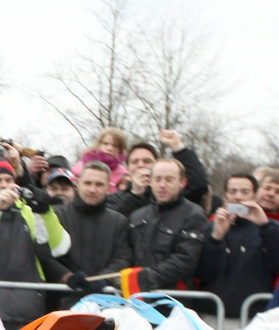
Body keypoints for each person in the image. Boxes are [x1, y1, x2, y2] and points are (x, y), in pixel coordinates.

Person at [0, 160, 71, 330]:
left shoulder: (28, 212)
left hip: (26, 311)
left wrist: (45, 212)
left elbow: (59, 248)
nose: (4, 185)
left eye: (9, 180)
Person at [195, 174, 279, 318]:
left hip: (253, 316)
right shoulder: (209, 226)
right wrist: (216, 237)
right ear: (225, 195)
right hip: (212, 314)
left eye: (245, 192)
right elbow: (201, 273)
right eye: (233, 191)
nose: (238, 197)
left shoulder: (268, 228)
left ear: (255, 195)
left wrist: (266, 226)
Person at [126, 157, 207, 291]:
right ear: (150, 182)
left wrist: (149, 278)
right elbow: (126, 253)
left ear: (182, 182)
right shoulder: (137, 216)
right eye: (158, 179)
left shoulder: (194, 215)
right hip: (137, 295)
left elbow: (186, 258)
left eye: (169, 180)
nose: (162, 185)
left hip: (173, 298)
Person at [54, 161, 131, 298]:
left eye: (99, 184)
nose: (92, 189)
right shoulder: (57, 215)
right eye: (88, 183)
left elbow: (123, 258)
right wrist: (65, 275)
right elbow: (45, 254)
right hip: (62, 298)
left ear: (108, 187)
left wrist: (102, 279)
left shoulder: (119, 222)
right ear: (78, 183)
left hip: (105, 300)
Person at [107, 131, 209, 216]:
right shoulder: (114, 198)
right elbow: (114, 223)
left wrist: (178, 147)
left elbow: (198, 183)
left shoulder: (168, 193)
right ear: (127, 169)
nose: (141, 165)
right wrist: (135, 194)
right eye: (135, 162)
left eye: (147, 161)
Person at [72, 126, 128, 192]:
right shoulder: (80, 167)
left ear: (120, 150)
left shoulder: (123, 174)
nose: (109, 148)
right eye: (105, 143)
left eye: (115, 146)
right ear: (99, 144)